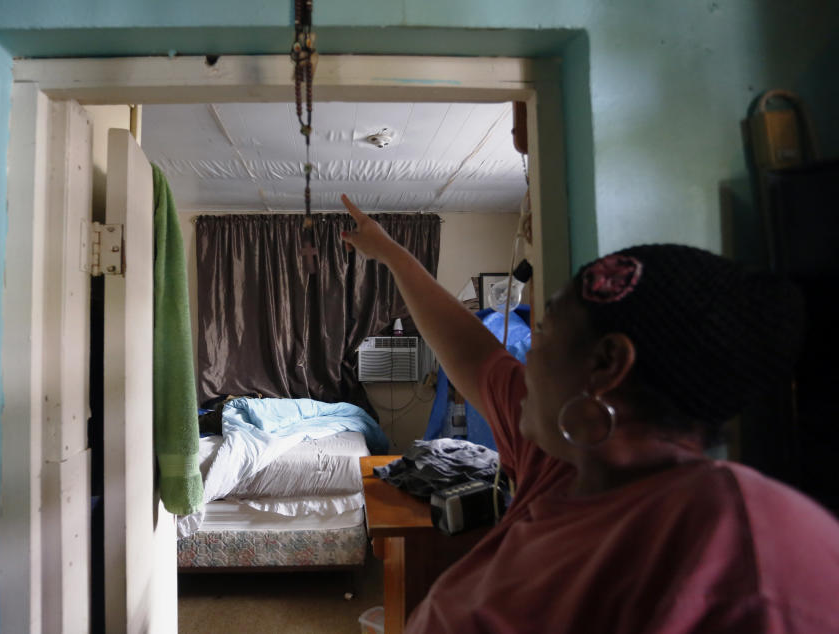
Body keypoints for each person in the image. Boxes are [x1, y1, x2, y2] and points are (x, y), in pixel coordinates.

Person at [338, 194, 839, 633]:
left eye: (547, 333)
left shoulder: (744, 552)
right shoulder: (558, 454)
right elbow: (474, 353)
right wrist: (389, 253)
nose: (525, 355)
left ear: (605, 365)